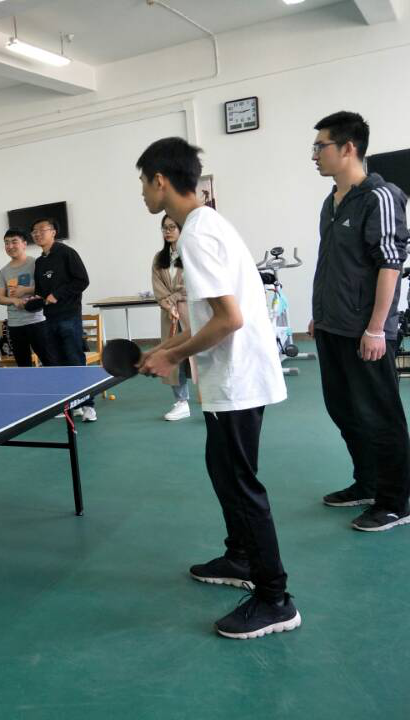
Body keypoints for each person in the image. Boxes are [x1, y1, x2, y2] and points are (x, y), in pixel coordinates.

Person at [137, 137, 299, 640]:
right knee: (222, 469)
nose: (142, 193)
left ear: (160, 180)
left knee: (241, 483)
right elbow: (210, 316)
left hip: (236, 378)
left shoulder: (196, 236)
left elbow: (229, 319)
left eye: (143, 183)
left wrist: (172, 356)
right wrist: (167, 347)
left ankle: (275, 599)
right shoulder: (207, 224)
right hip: (232, 375)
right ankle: (241, 556)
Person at [308, 111, 410, 531]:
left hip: (366, 331)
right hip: (331, 326)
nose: (314, 155)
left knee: (380, 415)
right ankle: (367, 482)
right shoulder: (332, 201)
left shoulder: (381, 197)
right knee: (344, 409)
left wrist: (376, 328)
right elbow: (333, 263)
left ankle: (397, 500)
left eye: (321, 146)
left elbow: (390, 265)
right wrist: (319, 315)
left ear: (348, 148)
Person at [31, 217, 96, 421]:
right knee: (57, 363)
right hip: (49, 318)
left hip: (69, 315)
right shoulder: (40, 262)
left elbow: (82, 280)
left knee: (75, 360)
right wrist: (34, 299)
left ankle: (88, 406)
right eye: (34, 231)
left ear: (53, 232)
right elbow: (41, 291)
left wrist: (57, 295)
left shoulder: (67, 253)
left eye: (42, 229)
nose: (37, 234)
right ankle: (70, 405)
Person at [151, 214, 191, 421]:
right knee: (174, 358)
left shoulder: (192, 253)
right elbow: (158, 288)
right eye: (164, 228)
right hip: (169, 315)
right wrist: (169, 305)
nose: (167, 231)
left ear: (181, 229)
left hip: (191, 312)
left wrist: (173, 298)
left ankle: (213, 399)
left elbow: (191, 286)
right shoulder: (159, 259)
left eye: (172, 227)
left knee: (201, 355)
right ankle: (182, 402)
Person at [0, 228, 49, 366]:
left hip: (37, 321)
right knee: (23, 365)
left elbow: (46, 288)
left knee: (49, 361)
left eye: (14, 242)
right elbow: (0, 297)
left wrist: (25, 290)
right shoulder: (4, 271)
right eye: (7, 243)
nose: (10, 246)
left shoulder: (36, 264)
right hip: (15, 325)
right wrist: (14, 300)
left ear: (24, 244)